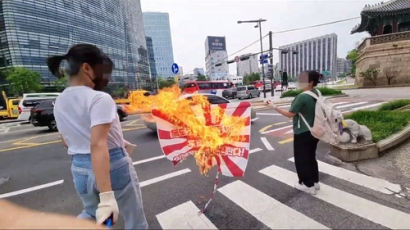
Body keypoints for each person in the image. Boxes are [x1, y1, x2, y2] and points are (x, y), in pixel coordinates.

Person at [47, 44, 148, 229]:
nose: (105, 76)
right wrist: (107, 196)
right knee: (134, 220)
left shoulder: (59, 101)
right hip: (112, 167)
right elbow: (97, 144)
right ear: (86, 68)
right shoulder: (99, 98)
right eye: (101, 69)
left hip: (80, 170)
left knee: (95, 215)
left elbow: (65, 140)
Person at [270, 70, 320, 195]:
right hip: (315, 131)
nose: (299, 82)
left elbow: (290, 114)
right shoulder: (316, 93)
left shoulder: (302, 96)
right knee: (311, 157)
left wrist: (274, 107)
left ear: (311, 82)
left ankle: (308, 185)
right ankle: (315, 182)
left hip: (302, 132)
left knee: (302, 159)